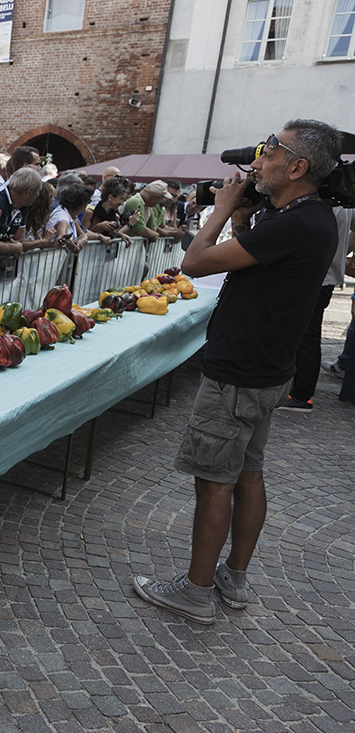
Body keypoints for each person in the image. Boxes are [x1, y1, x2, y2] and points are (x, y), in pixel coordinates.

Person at [133, 119, 343, 625]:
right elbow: (256, 261)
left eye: (271, 150)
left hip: (238, 374)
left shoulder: (295, 222)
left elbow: (196, 262)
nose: (258, 159)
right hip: (267, 370)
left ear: (298, 167)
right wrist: (244, 220)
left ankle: (196, 591)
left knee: (214, 481)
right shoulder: (309, 218)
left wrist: (222, 208)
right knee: (248, 473)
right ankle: (233, 576)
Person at [277, 206, 355, 412]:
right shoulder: (342, 202)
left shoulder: (328, 202)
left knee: (306, 337)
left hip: (317, 277)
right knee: (304, 335)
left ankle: (302, 395)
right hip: (323, 276)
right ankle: (299, 390)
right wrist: (339, 253)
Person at [0, 167, 42, 257]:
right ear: (29, 191)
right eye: (38, 191)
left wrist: (9, 246)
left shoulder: (24, 205)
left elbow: (18, 240)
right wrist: (15, 248)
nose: (38, 194)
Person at [82, 175, 135, 241]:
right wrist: (98, 227)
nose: (122, 203)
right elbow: (82, 235)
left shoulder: (116, 217)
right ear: (110, 197)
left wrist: (119, 234)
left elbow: (112, 238)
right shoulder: (90, 213)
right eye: (121, 199)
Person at [47, 181, 92, 252]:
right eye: (88, 201)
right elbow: (63, 238)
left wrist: (83, 239)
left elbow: (81, 234)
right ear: (81, 203)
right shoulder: (63, 217)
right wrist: (74, 245)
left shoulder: (71, 214)